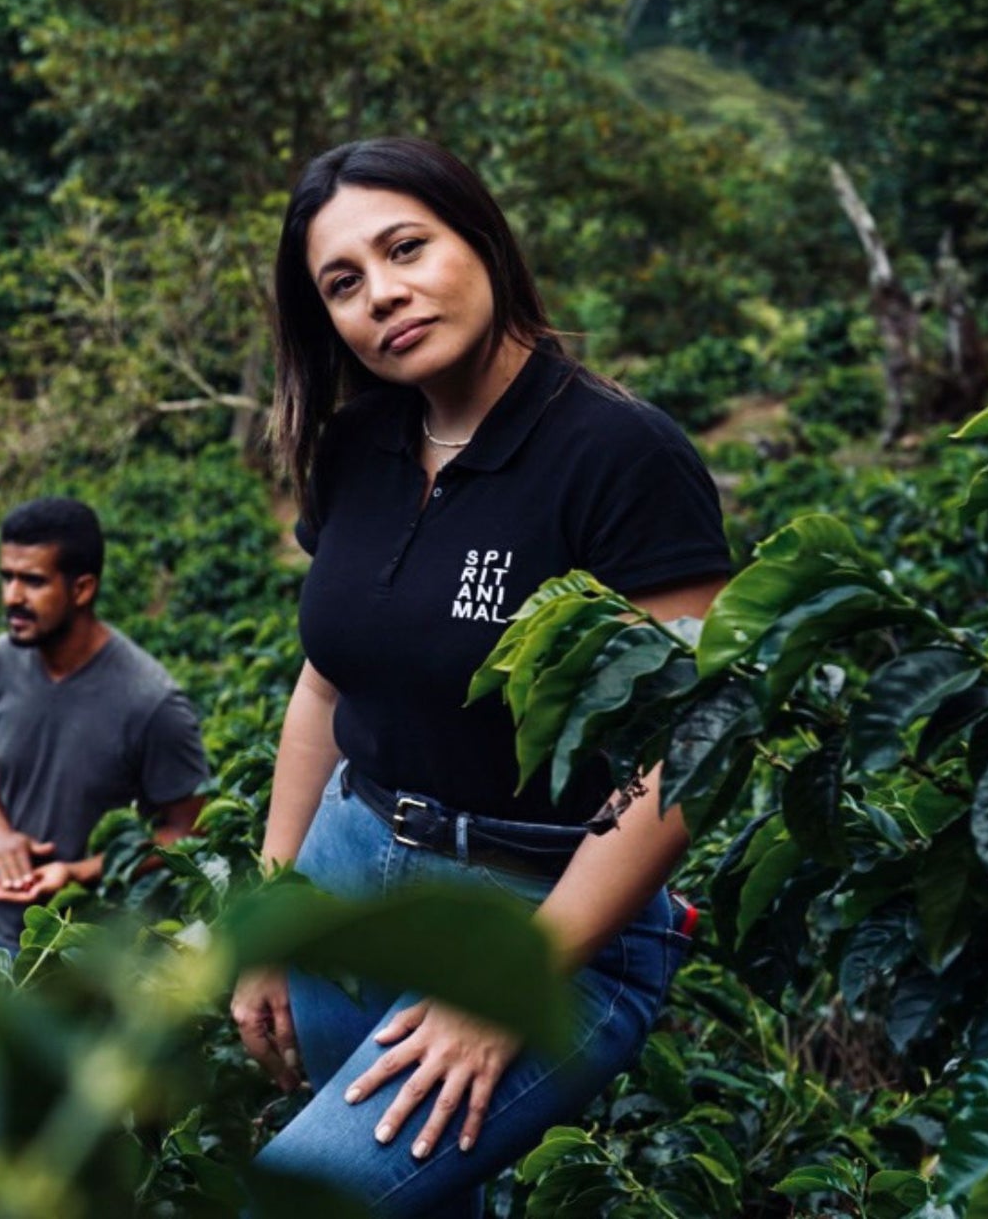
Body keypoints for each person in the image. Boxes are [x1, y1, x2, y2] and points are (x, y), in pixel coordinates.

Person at [231, 137, 729, 1217]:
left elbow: (688, 748)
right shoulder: (356, 444)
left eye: (406, 247)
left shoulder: (618, 453)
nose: (383, 296)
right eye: (343, 283)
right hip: (345, 871)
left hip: (538, 903)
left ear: (482, 239)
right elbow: (325, 686)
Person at [0, 496, 209, 955]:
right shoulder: (0, 659)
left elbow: (189, 830)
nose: (12, 597)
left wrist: (81, 871)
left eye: (32, 581)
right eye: (6, 577)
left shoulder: (151, 701)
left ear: (82, 588)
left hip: (91, 954)